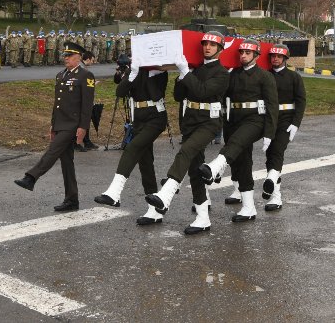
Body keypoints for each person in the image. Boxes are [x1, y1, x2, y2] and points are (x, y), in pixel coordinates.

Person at [144, 32, 230, 233]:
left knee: (186, 151)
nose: (207, 47)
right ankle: (202, 218)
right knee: (195, 170)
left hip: (209, 122)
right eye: (205, 44)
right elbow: (178, 96)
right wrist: (182, 75)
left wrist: (187, 73)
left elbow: (201, 92)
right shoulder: (195, 70)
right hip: (191, 121)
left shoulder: (222, 73)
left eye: (212, 44)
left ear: (220, 49)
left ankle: (166, 194)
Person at [198, 39, 278, 223]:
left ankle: (215, 167)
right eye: (241, 52)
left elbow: (272, 106)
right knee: (242, 162)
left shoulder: (265, 76)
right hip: (234, 120)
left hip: (255, 120)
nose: (243, 56)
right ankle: (249, 207)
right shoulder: (232, 74)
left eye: (247, 53)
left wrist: (269, 133)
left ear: (256, 55)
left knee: (237, 143)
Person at [14, 42, 95, 212]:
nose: (66, 59)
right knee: (67, 163)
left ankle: (31, 177)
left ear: (79, 57)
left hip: (73, 125)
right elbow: (57, 104)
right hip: (60, 123)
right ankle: (72, 200)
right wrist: (53, 125)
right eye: (65, 56)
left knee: (53, 150)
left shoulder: (85, 76)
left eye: (70, 56)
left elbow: (87, 106)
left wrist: (83, 128)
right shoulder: (61, 75)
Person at [94, 47, 171, 225]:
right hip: (139, 119)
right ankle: (155, 210)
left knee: (133, 147)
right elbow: (119, 92)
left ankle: (114, 193)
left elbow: (157, 91)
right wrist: (132, 72)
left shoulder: (158, 70)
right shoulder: (133, 70)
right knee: (146, 163)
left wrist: (146, 71)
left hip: (155, 117)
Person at [262, 44, 306, 211]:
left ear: (285, 59)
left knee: (277, 151)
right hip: (269, 120)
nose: (275, 59)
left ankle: (272, 183)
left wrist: (296, 123)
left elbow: (301, 101)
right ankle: (274, 195)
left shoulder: (294, 77)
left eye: (279, 57)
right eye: (273, 56)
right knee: (270, 154)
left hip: (286, 120)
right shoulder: (265, 76)